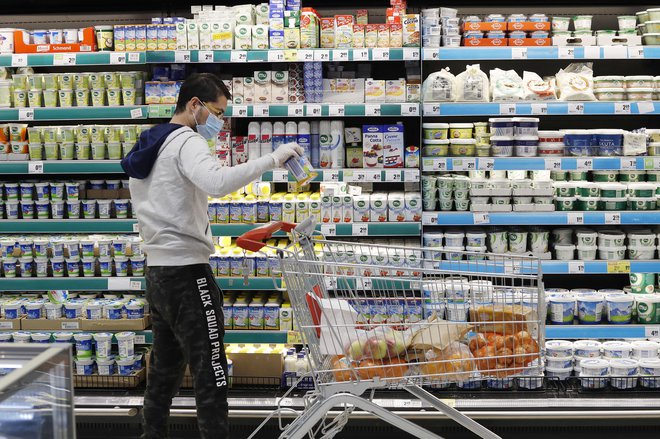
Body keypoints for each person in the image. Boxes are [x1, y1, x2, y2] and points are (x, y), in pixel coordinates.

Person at [121, 72, 303, 439]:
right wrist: (273, 159)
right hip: (187, 274)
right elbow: (217, 183)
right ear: (194, 105)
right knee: (212, 371)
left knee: (165, 368)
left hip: (157, 271)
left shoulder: (149, 145)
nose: (219, 122)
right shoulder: (185, 141)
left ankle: (151, 434)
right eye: (217, 112)